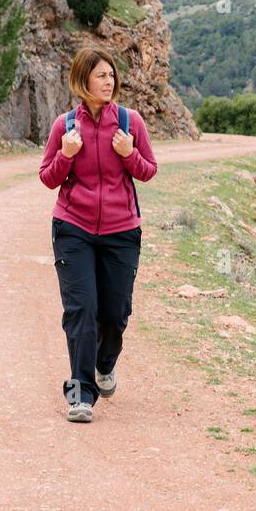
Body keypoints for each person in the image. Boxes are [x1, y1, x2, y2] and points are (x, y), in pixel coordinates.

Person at [38, 48, 158, 423]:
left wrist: (128, 153)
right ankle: (81, 394)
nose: (109, 82)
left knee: (115, 312)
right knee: (81, 311)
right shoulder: (65, 126)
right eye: (101, 75)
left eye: (111, 75)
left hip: (122, 232)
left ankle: (105, 364)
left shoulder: (129, 121)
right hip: (73, 229)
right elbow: (48, 177)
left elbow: (148, 170)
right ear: (83, 80)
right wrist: (67, 154)